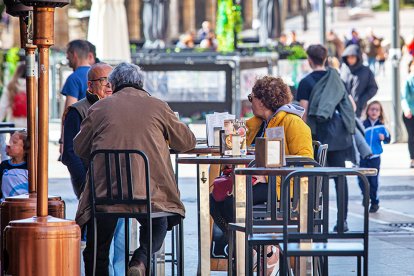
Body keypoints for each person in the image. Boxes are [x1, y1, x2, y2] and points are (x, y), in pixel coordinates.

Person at [74, 62, 196, 275]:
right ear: (141, 83)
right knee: (159, 223)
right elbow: (187, 142)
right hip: (148, 195)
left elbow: (80, 148)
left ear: (113, 84)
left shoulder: (98, 108)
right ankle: (140, 260)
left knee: (97, 246)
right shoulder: (158, 106)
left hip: (106, 195)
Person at [210, 76, 313, 273]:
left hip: (284, 187)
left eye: (251, 97)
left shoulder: (292, 122)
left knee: (233, 203)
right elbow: (239, 147)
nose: (250, 102)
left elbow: (306, 162)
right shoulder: (259, 123)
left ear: (263, 100)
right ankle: (256, 249)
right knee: (214, 199)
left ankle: (260, 250)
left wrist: (272, 173)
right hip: (258, 182)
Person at [62, 63, 125, 275]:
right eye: (102, 81)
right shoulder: (78, 110)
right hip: (94, 186)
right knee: (98, 245)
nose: (108, 85)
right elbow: (70, 153)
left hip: (120, 186)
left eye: (111, 80)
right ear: (90, 86)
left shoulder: (119, 106)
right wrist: (84, 185)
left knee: (121, 244)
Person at [297, 44, 355, 232]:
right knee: (340, 178)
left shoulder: (305, 82)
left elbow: (303, 114)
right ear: (325, 58)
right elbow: (350, 105)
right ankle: (342, 221)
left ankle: (315, 219)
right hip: (338, 137)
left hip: (316, 137)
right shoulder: (336, 79)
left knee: (316, 178)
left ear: (309, 60)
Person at [358, 101, 390, 213]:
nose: (374, 111)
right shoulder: (362, 124)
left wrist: (384, 138)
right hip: (363, 157)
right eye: (372, 109)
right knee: (361, 179)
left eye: (377, 110)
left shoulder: (381, 127)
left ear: (380, 112)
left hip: (375, 157)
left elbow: (388, 139)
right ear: (367, 111)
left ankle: (374, 202)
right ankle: (365, 196)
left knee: (374, 181)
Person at [341, 44, 378, 118]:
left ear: (358, 57)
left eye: (352, 57)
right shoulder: (344, 70)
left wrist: (361, 100)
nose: (350, 60)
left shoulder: (366, 71)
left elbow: (373, 88)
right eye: (348, 57)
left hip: (360, 110)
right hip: (344, 109)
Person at [0, 130, 29, 201]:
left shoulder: (30, 167)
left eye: (14, 142)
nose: (9, 145)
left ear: (25, 148)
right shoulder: (4, 165)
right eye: (10, 141)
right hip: (5, 206)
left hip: (24, 206)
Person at [0, 63, 27, 128]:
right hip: (32, 125)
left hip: (14, 125)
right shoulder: (35, 86)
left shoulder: (10, 87)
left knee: (15, 138)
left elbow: (2, 107)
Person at [401, 59, 414, 168]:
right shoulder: (409, 80)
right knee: (412, 136)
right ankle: (412, 158)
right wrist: (406, 109)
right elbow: (403, 97)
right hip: (410, 113)